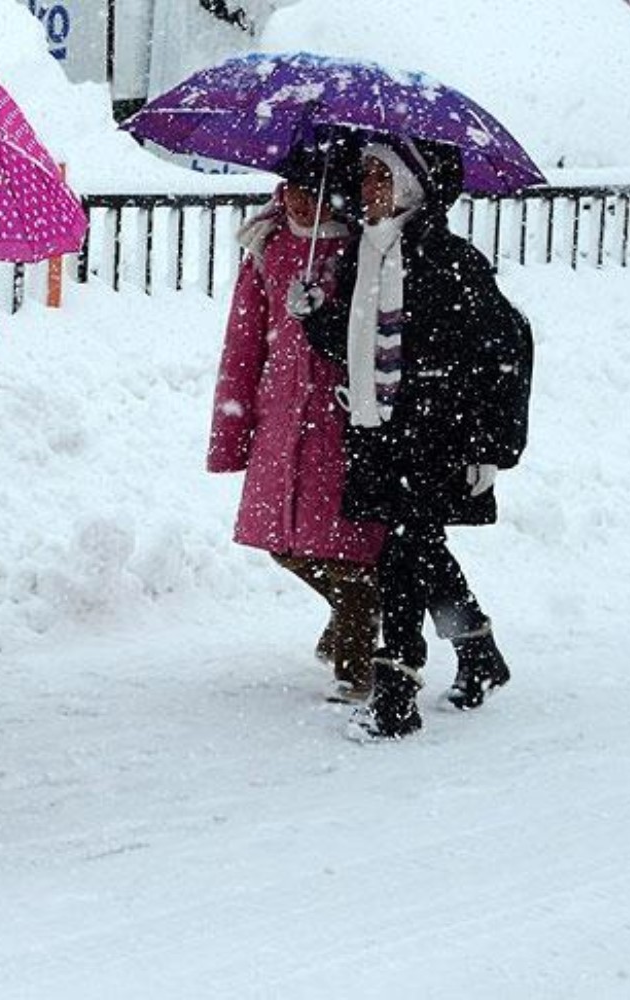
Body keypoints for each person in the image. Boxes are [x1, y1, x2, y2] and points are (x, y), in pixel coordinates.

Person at [301, 139, 533, 741]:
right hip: (376, 430)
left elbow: (499, 353)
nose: (368, 185)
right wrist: (314, 316)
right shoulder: (360, 257)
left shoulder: (450, 259)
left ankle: (397, 690)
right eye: (366, 175)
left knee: (401, 554)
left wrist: (488, 446)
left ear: (411, 186)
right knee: (419, 547)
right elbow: (354, 346)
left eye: (381, 175)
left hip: (436, 431)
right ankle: (478, 647)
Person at [208, 153, 386, 702]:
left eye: (313, 189)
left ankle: (355, 667)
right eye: (290, 188)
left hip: (341, 417)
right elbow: (243, 346)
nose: (298, 200)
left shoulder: (364, 250)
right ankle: (357, 608)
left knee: (345, 543)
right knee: (282, 541)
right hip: (279, 419)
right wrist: (231, 430)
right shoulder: (269, 250)